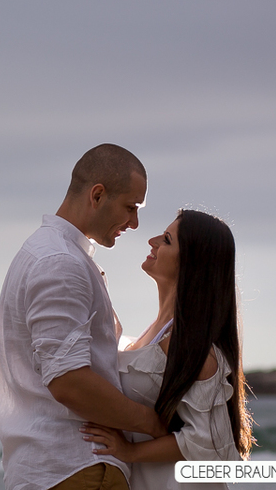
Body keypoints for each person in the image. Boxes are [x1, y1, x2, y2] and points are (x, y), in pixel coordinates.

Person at [0, 144, 168, 490]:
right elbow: (69, 382)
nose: (134, 223)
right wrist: (155, 424)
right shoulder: (60, 263)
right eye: (131, 208)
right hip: (79, 468)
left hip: (57, 469)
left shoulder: (51, 254)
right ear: (98, 195)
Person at [81, 210, 255, 490]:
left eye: (166, 240)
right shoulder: (154, 335)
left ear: (191, 262)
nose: (152, 241)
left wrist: (130, 452)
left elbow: (210, 439)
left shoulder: (192, 348)